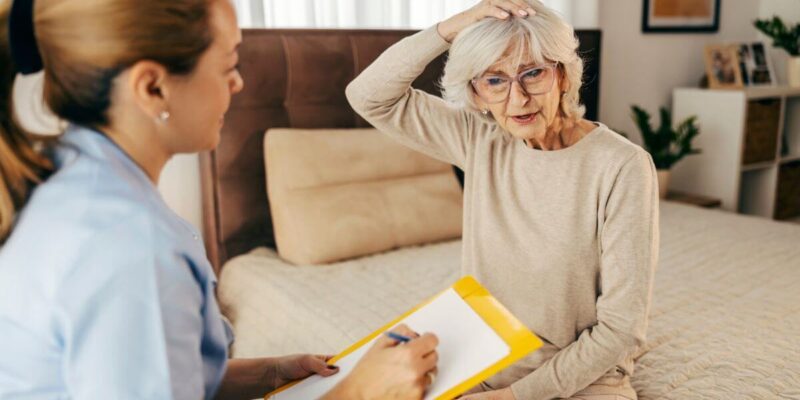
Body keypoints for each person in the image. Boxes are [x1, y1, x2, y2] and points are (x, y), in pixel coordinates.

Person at [0, 0, 438, 398]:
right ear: (152, 88)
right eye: (228, 64)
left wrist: (270, 373)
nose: (239, 83)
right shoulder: (128, 247)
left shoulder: (74, 174)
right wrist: (359, 393)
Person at [346, 0, 659, 399]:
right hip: (480, 359)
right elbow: (368, 95)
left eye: (533, 73)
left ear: (563, 75)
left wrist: (511, 398)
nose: (518, 99)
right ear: (476, 93)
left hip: (583, 376)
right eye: (494, 80)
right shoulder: (479, 138)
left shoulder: (623, 166)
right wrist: (449, 29)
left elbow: (621, 330)